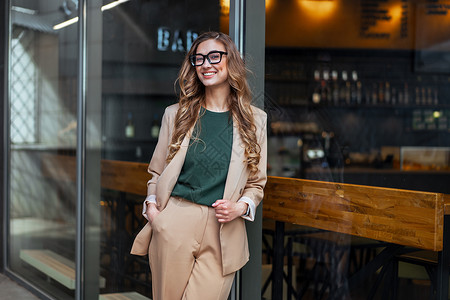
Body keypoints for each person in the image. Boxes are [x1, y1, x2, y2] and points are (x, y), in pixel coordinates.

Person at [131, 31, 267, 300]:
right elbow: (156, 171)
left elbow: (256, 184)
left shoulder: (256, 120)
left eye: (215, 56)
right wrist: (153, 212)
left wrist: (240, 207)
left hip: (224, 229)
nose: (206, 64)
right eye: (199, 58)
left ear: (232, 62)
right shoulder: (176, 114)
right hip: (175, 221)